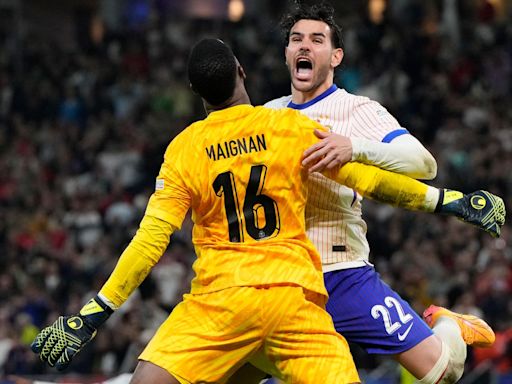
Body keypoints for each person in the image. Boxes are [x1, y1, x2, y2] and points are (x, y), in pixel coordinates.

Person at [30, 39, 504, 383]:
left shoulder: (183, 150)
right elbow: (369, 180)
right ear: (242, 70)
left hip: (224, 305)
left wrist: (92, 313)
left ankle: (445, 326)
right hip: (292, 298)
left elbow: (150, 241)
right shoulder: (286, 126)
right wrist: (452, 201)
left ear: (195, 91)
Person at [235, 3, 501, 384]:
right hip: (279, 281)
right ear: (287, 54)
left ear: (336, 56)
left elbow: (424, 164)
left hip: (341, 274)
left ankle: (449, 326)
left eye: (316, 39)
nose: (304, 47)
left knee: (441, 372)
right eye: (296, 40)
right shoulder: (266, 116)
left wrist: (354, 147)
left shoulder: (356, 110)